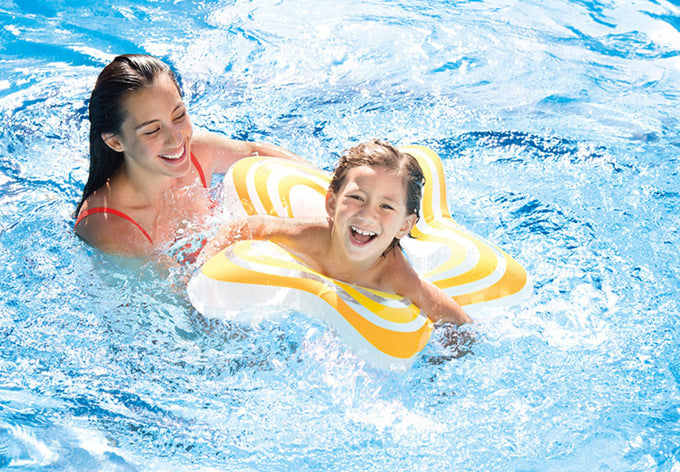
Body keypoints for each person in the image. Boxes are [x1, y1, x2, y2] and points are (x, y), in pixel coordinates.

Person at [200, 140, 471, 325]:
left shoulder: (393, 275)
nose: (367, 214)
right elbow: (247, 227)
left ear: (404, 226)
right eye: (357, 198)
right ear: (331, 203)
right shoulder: (310, 238)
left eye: (386, 206)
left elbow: (456, 319)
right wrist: (202, 269)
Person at [74, 54, 308, 258]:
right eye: (153, 130)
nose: (177, 139)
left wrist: (326, 186)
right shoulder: (112, 227)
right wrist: (256, 230)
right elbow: (173, 293)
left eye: (179, 115)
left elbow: (253, 152)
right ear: (115, 142)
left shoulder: (199, 152)